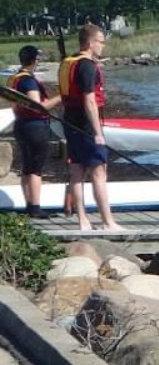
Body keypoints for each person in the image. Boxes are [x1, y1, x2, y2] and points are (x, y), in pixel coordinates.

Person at [59, 23, 121, 231]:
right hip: (85, 125)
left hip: (69, 122)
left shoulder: (67, 62)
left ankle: (83, 220)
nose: (103, 46)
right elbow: (89, 100)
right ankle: (107, 221)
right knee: (99, 172)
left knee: (77, 171)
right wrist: (97, 133)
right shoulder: (86, 65)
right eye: (101, 42)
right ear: (91, 42)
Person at [6, 46, 62, 218]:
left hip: (20, 125)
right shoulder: (28, 81)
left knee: (27, 167)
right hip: (35, 126)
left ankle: (29, 205)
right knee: (36, 169)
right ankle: (36, 207)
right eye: (38, 58)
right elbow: (38, 106)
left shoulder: (13, 79)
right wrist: (62, 97)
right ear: (34, 60)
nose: (39, 61)